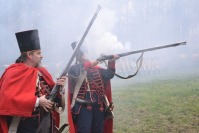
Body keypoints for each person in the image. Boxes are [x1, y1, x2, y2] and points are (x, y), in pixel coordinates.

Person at [0, 29, 66, 133]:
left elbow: (54, 99)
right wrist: (38, 102)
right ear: (30, 55)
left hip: (46, 123)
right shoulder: (13, 72)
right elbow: (8, 98)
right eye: (38, 53)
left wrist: (60, 87)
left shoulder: (42, 72)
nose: (42, 56)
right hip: (25, 126)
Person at [67, 43, 119, 133]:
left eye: (85, 52)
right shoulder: (74, 68)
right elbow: (76, 71)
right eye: (82, 53)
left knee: (99, 130)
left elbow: (109, 75)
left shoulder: (97, 68)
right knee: (84, 130)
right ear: (77, 56)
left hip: (99, 105)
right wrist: (90, 64)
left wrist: (112, 61)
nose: (85, 55)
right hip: (82, 106)